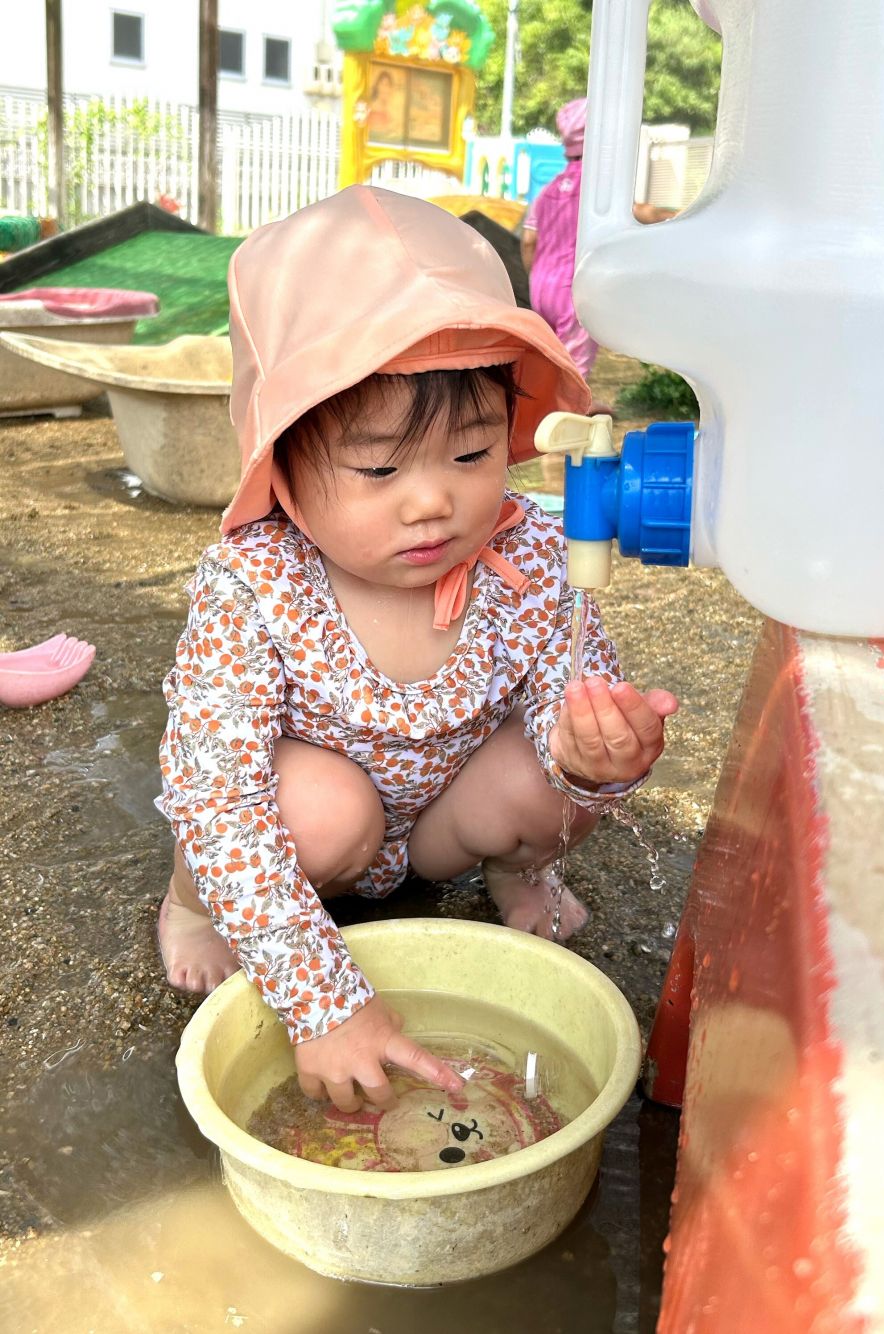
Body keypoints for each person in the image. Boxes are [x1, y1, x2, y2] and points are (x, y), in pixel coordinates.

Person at [156, 186, 677, 1113]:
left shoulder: (528, 557)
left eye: (471, 455)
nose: (432, 501)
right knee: (318, 811)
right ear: (280, 464)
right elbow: (216, 787)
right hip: (313, 817)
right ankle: (194, 905)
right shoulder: (256, 582)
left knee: (541, 777)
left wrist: (597, 756)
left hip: (442, 819)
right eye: (382, 468)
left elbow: (570, 697)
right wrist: (319, 1006)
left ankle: (520, 869)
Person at [520, 98, 598, 382]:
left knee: (548, 364)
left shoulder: (548, 189)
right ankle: (567, 417)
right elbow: (638, 213)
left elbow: (529, 240)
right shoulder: (594, 192)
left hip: (541, 288)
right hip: (573, 293)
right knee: (573, 375)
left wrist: (536, 276)